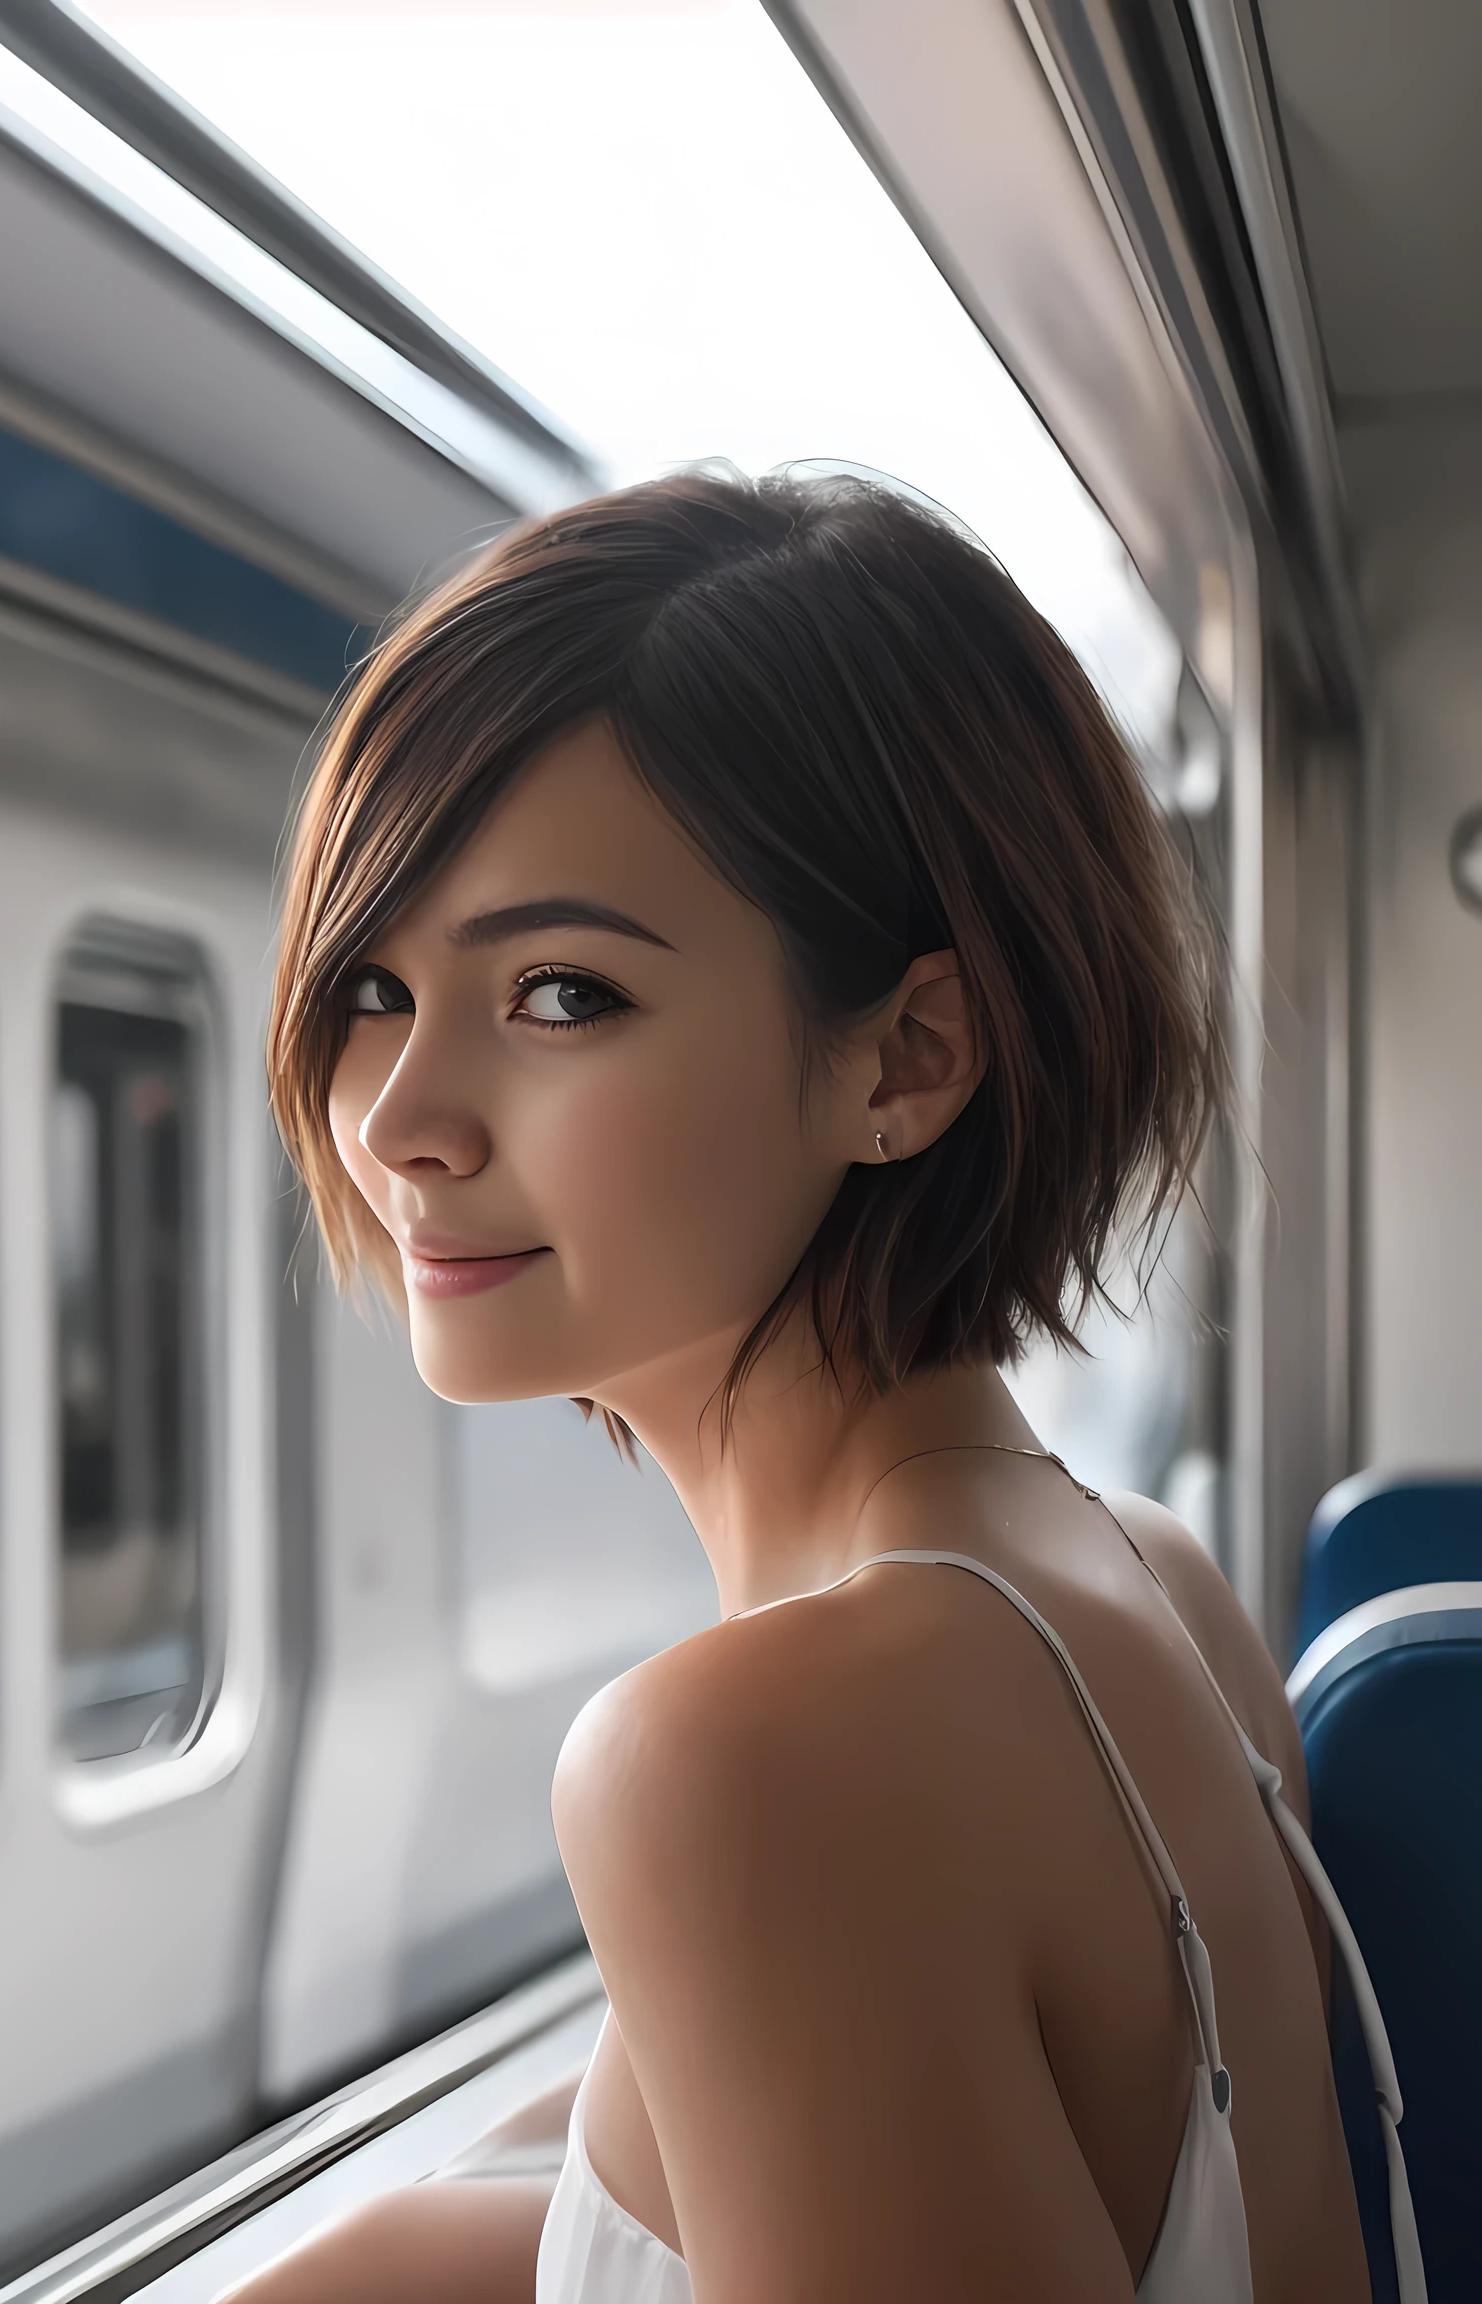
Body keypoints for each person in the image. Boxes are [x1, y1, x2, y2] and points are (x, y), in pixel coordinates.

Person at [248, 470, 1388, 2303]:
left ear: (909, 1058)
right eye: (373, 985)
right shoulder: (1145, 1579)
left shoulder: (751, 1763)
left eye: (558, 994)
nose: (396, 1119)